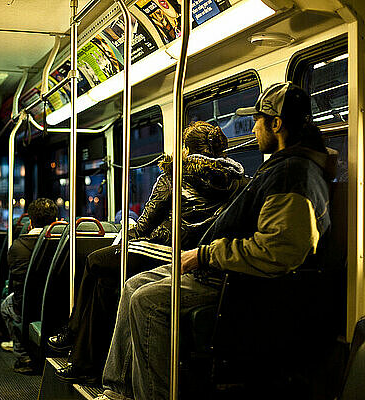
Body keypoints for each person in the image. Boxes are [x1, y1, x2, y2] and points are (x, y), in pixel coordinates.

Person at [95, 82, 336, 400]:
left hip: (237, 283)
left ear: (276, 124)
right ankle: (119, 390)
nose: (253, 127)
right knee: (131, 287)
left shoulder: (293, 175)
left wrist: (206, 255)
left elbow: (279, 250)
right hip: (219, 269)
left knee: (146, 301)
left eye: (258, 119)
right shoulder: (280, 167)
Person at [50, 121, 247, 384]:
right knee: (104, 282)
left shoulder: (174, 175)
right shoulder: (238, 182)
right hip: (195, 253)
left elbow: (144, 225)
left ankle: (73, 335)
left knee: (95, 260)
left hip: (160, 251)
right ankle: (85, 359)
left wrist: (124, 236)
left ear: (187, 150)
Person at [0, 198, 58, 373]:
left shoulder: (18, 246)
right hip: (57, 301)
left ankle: (23, 354)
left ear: (30, 222)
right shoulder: (64, 243)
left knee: (6, 306)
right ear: (55, 221)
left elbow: (16, 281)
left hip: (27, 303)